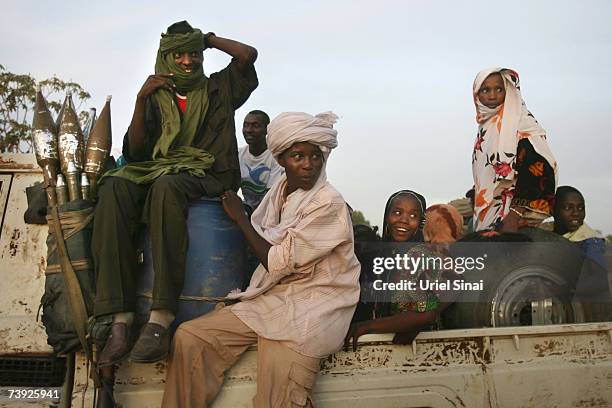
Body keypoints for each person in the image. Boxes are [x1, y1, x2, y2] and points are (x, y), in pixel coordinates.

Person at [161, 111, 361, 407]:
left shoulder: (328, 203)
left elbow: (276, 261)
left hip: (313, 308)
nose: (308, 165)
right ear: (280, 160)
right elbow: (266, 239)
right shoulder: (279, 192)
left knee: (277, 396)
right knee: (191, 338)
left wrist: (239, 218)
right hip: (274, 299)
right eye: (298, 157)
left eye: (315, 157)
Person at [92, 20, 258, 367]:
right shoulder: (156, 96)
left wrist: (207, 39)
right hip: (162, 169)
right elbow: (136, 154)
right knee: (115, 186)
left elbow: (247, 55)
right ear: (166, 57)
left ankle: (160, 317)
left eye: (193, 54)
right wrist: (141, 100)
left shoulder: (219, 88)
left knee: (167, 187)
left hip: (209, 173)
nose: (187, 61)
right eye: (179, 54)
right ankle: (119, 317)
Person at [346, 198, 463, 350]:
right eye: (397, 212)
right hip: (380, 348)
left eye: (413, 215)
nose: (404, 220)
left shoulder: (422, 256)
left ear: (422, 223)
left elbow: (425, 313)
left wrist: (367, 326)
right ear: (387, 216)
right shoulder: (379, 255)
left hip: (423, 350)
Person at [471, 68, 558, 233]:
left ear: (508, 91)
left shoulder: (521, 123)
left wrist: (515, 214)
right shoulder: (487, 126)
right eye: (485, 90)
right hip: (487, 213)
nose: (492, 95)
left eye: (499, 89)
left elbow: (539, 166)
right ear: (476, 93)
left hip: (511, 220)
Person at [553, 186, 610, 302]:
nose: (576, 213)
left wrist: (557, 289)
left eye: (580, 208)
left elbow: (599, 281)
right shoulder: (547, 235)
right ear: (553, 210)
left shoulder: (590, 242)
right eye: (568, 207)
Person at [238, 110, 284, 215]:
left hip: (270, 212)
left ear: (266, 130)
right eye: (246, 125)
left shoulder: (276, 156)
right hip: (246, 210)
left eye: (255, 126)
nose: (248, 130)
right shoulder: (238, 155)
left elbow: (272, 198)